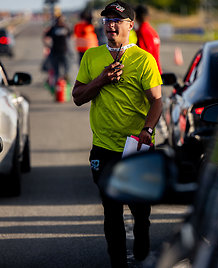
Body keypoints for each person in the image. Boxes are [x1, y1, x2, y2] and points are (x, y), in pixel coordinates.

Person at [72, 1, 162, 267]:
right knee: (111, 211)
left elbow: (157, 101)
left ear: (129, 25)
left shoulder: (143, 59)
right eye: (107, 20)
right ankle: (118, 263)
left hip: (137, 147)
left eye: (117, 20)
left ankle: (143, 253)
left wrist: (147, 129)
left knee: (140, 212)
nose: (110, 25)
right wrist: (100, 80)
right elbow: (77, 97)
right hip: (104, 147)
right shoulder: (91, 57)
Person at [43, 15, 72, 85]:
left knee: (58, 71)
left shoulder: (53, 28)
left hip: (56, 51)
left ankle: (58, 86)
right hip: (62, 51)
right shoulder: (65, 27)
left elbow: (45, 36)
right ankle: (64, 85)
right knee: (65, 68)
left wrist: (47, 45)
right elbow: (71, 35)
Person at [135, 5, 162, 74]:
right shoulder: (152, 31)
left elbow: (144, 54)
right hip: (155, 69)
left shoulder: (142, 31)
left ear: (137, 17)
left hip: (148, 72)